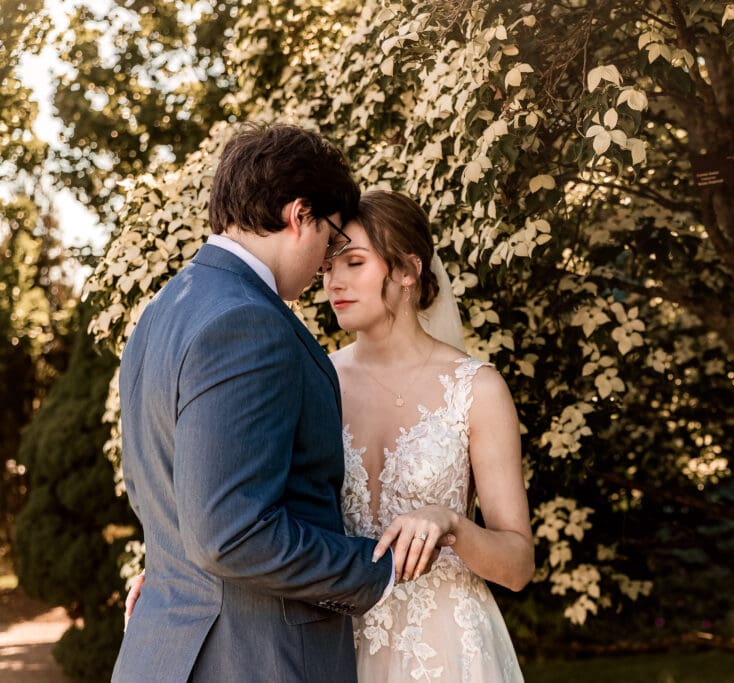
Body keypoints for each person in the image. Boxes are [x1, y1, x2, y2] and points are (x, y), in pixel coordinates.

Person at [114, 124, 395, 682]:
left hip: (167, 652)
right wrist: (376, 569)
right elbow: (230, 532)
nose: (325, 264)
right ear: (299, 215)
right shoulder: (247, 322)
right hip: (251, 658)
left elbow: (174, 493)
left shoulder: (164, 310)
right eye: (332, 239)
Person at [324, 190, 534, 681]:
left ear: (407, 270)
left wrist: (453, 525)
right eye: (327, 267)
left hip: (449, 652)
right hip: (337, 649)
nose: (334, 281)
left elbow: (518, 566)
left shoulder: (476, 390)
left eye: (353, 262)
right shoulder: (317, 383)